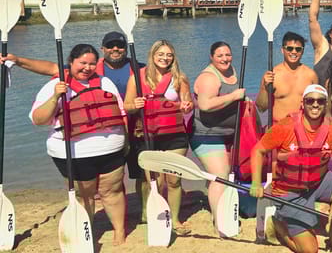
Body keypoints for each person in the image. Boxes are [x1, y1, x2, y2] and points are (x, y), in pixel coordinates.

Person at [1, 31, 148, 220]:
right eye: (110, 45)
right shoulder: (90, 68)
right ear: (103, 48)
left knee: (141, 175)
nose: (115, 49)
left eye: (119, 46)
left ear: (126, 49)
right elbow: (50, 68)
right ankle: (104, 215)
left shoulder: (137, 67)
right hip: (95, 130)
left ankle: (144, 212)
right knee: (110, 185)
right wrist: (18, 60)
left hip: (130, 127)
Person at [249, 84, 332, 253]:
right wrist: (255, 182)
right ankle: (280, 228)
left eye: (320, 101)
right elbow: (257, 151)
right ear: (302, 103)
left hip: (318, 183)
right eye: (310, 100)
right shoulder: (285, 126)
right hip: (289, 192)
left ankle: (327, 224)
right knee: (310, 251)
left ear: (326, 104)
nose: (315, 104)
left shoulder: (331, 129)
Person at [29, 44, 128, 245]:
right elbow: (38, 119)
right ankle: (87, 233)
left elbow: (121, 113)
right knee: (85, 196)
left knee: (113, 191)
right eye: (82, 63)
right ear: (71, 62)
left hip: (112, 150)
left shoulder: (105, 81)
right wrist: (56, 95)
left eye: (92, 63)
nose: (87, 68)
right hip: (74, 153)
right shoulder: (55, 85)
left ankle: (119, 231)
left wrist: (126, 142)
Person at [123, 40, 193, 235]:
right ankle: (157, 215)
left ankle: (176, 219)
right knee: (156, 181)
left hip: (175, 136)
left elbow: (188, 103)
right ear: (153, 56)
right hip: (147, 136)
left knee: (173, 180)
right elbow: (127, 105)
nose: (165, 58)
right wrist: (134, 104)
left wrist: (187, 106)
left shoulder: (179, 78)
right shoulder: (137, 78)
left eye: (169, 55)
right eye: (161, 54)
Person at [191, 41, 246, 232]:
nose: (225, 59)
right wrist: (234, 96)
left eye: (228, 55)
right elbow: (205, 105)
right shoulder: (209, 77)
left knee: (219, 177)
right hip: (206, 134)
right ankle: (219, 223)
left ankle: (219, 209)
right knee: (220, 177)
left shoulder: (231, 72)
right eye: (220, 55)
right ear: (212, 57)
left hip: (228, 134)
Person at [257, 32, 319, 123]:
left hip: (303, 129)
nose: (294, 52)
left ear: (302, 51)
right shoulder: (272, 75)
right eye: (290, 48)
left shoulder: (311, 75)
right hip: (279, 128)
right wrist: (264, 88)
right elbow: (261, 108)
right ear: (282, 50)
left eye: (298, 49)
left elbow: (319, 105)